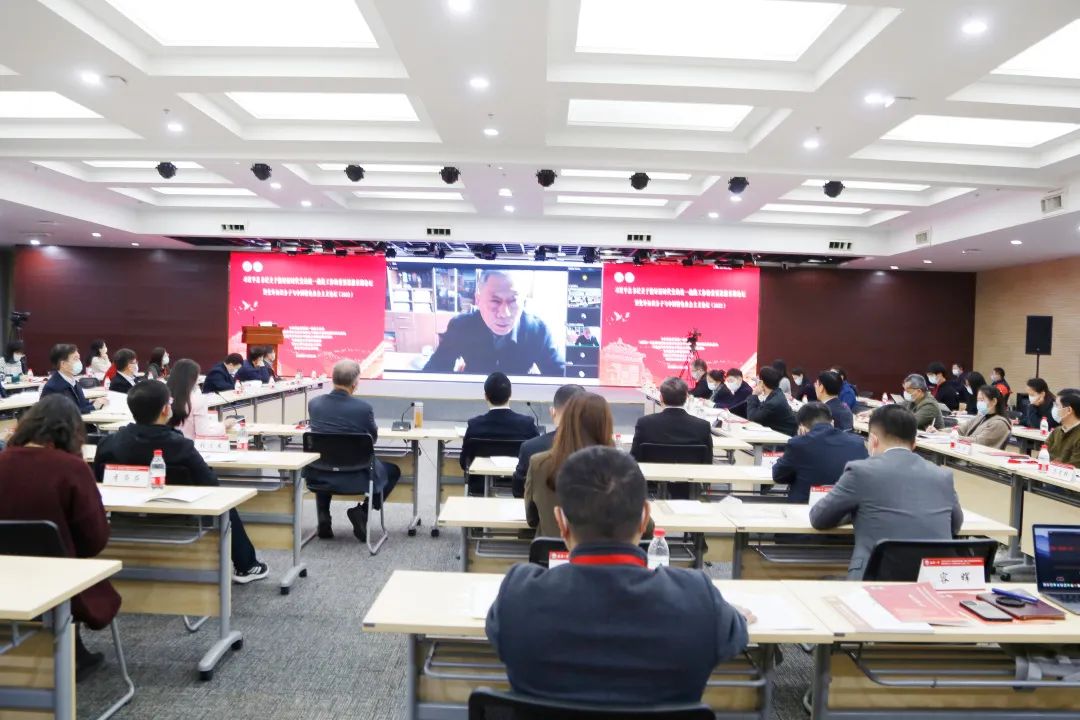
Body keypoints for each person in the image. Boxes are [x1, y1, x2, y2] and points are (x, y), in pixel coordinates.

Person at [486, 446, 749, 705]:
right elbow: (734, 634)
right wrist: (721, 609)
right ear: (645, 518)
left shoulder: (519, 595)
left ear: (561, 521)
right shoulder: (697, 598)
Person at [94, 382, 269, 583]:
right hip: (178, 517)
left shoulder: (108, 443)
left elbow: (97, 483)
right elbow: (211, 484)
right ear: (165, 410)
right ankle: (247, 565)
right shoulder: (180, 446)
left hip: (123, 516)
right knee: (228, 507)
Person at [0, 395, 120, 675]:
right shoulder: (71, 468)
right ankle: (69, 657)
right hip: (58, 579)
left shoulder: (3, 461)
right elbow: (94, 540)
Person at [810, 405, 963, 579]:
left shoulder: (860, 471)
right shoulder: (942, 475)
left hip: (874, 580)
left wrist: (855, 512)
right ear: (914, 443)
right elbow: (955, 525)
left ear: (873, 440)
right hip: (934, 582)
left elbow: (819, 518)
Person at [306, 359, 402, 540]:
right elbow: (372, 439)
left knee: (326, 460)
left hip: (319, 474)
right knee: (393, 470)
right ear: (355, 383)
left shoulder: (314, 404)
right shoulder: (363, 408)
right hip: (358, 475)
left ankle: (323, 516)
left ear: (332, 379)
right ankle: (363, 512)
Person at [423, 269, 565, 376]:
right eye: (495, 301)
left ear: (523, 302)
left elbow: (561, 378)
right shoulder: (461, 326)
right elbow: (434, 370)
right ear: (478, 300)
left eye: (513, 301)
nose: (504, 313)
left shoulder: (538, 331)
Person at [525, 393, 614, 537]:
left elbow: (532, 519)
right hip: (603, 550)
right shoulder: (620, 467)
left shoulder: (539, 464)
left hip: (550, 549)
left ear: (567, 420)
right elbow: (644, 526)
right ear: (606, 424)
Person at [630, 376, 714, 499]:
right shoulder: (702, 426)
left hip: (652, 479)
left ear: (661, 398)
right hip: (689, 482)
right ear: (686, 398)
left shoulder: (645, 423)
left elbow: (635, 456)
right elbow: (707, 461)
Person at [461, 372, 539, 495]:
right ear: (510, 394)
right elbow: (537, 458)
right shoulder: (527, 425)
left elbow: (464, 462)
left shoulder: (475, 425)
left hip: (480, 488)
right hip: (520, 487)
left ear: (486, 396)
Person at [773, 402, 868, 503]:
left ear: (801, 427)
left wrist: (800, 438)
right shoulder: (858, 442)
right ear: (832, 422)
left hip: (806, 507)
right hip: (848, 508)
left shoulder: (798, 444)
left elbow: (778, 475)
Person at [512, 384, 584, 498]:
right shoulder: (601, 449)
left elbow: (518, 491)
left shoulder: (530, 448)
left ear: (552, 412)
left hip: (540, 509)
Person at [167, 359, 235, 439]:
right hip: (189, 443)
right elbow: (203, 431)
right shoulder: (197, 400)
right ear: (192, 378)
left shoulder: (164, 397)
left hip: (166, 443)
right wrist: (224, 425)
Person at [40, 343, 107, 414]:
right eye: (75, 359)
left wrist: (94, 402)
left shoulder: (73, 381)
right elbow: (66, 413)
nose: (79, 362)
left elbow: (80, 405)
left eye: (79, 358)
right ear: (63, 364)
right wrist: (93, 407)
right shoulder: (53, 388)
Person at [746, 366, 798, 435]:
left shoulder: (773, 403)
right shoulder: (777, 393)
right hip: (783, 432)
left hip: (784, 436)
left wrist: (754, 395)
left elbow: (752, 418)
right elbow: (759, 411)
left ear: (761, 382)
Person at [1047, 390, 1080, 466]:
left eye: (1057, 405)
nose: (1054, 409)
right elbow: (1042, 456)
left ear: (1069, 410)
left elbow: (1074, 467)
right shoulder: (1056, 431)